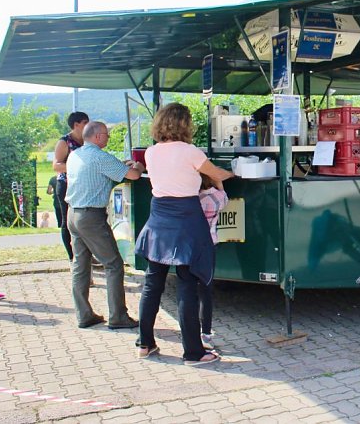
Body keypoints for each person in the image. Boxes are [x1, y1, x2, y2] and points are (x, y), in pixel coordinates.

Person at [135, 103, 234, 366]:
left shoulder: (151, 152)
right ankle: (193, 352)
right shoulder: (190, 151)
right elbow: (217, 174)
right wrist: (235, 172)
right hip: (186, 220)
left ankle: (145, 343)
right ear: (185, 124)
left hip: (158, 219)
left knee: (152, 284)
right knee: (187, 285)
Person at [65, 121, 145, 330]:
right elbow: (134, 175)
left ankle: (84, 315)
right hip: (92, 216)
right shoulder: (100, 157)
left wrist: (120, 166)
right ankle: (118, 316)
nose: (108, 138)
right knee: (114, 264)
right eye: (107, 135)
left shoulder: (75, 155)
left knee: (80, 265)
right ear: (98, 136)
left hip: (73, 213)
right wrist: (137, 166)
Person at [197, 174, 229, 350]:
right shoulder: (219, 197)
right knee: (206, 290)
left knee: (189, 290)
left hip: (192, 244)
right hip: (210, 243)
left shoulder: (193, 198)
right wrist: (219, 180)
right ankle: (206, 331)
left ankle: (191, 329)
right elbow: (225, 197)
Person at [53, 111, 89, 261]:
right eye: (85, 122)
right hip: (66, 185)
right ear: (76, 125)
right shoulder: (64, 142)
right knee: (67, 222)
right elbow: (56, 166)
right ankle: (72, 256)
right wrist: (76, 166)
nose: (88, 125)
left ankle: (85, 255)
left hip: (84, 185)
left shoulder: (88, 141)